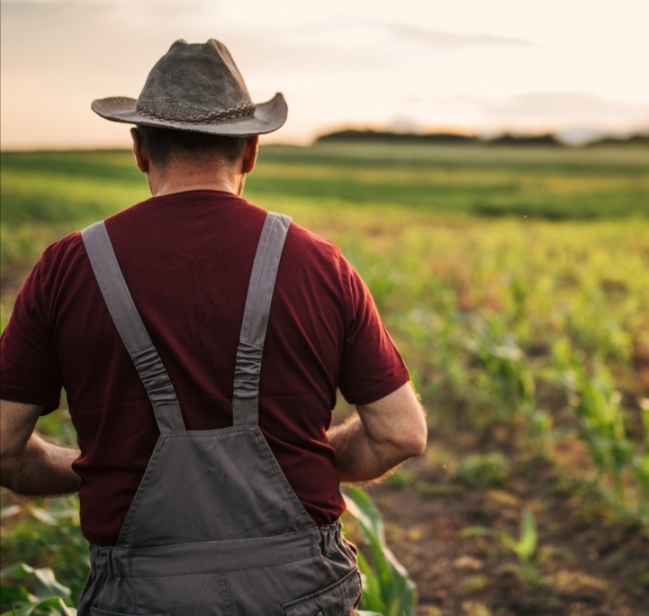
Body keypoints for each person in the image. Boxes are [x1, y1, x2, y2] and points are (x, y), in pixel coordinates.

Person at [0, 39, 427, 615]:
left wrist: (90, 471)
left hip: (141, 593)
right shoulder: (319, 263)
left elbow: (2, 447)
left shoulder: (68, 268)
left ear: (139, 149)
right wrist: (300, 455)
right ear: (251, 151)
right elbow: (400, 433)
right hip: (301, 591)